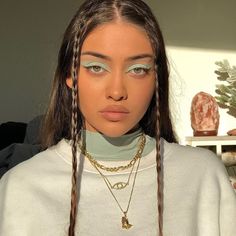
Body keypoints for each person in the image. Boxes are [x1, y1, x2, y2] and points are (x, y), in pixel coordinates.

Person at [0, 0, 236, 235]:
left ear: (156, 79)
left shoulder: (203, 176)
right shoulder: (21, 188)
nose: (117, 91)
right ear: (69, 75)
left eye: (138, 70)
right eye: (96, 67)